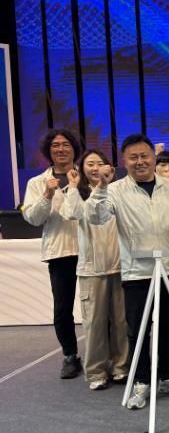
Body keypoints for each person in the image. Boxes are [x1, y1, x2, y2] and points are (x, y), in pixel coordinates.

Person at [87, 133, 169, 410]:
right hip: (137, 273)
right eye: (133, 157)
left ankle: (168, 375)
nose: (140, 161)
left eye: (144, 156)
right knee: (138, 330)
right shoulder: (115, 190)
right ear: (124, 161)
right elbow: (96, 217)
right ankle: (142, 380)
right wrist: (100, 186)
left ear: (154, 158)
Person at [61, 150, 129, 390]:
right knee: (94, 324)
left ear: (109, 167)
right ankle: (96, 371)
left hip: (121, 266)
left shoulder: (118, 190)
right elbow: (71, 213)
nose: (95, 167)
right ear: (81, 168)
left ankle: (122, 367)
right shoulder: (77, 193)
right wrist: (72, 186)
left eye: (100, 163)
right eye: (90, 164)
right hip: (91, 269)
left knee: (122, 322)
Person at [22, 129, 82, 378]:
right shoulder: (37, 183)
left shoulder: (85, 175)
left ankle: (105, 354)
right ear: (49, 151)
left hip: (91, 250)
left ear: (74, 149)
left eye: (66, 144)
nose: (61, 149)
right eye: (55, 145)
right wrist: (47, 195)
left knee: (101, 307)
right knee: (62, 309)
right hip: (60, 251)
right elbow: (33, 218)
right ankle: (70, 355)